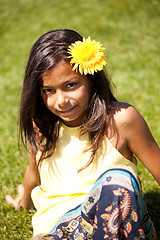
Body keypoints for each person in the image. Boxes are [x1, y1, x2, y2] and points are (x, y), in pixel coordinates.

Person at [5, 29, 160, 239]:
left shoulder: (120, 120)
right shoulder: (42, 127)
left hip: (115, 227)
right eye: (48, 90)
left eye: (71, 85)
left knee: (117, 180)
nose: (61, 100)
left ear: (91, 80)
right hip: (58, 231)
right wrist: (22, 202)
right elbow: (35, 172)